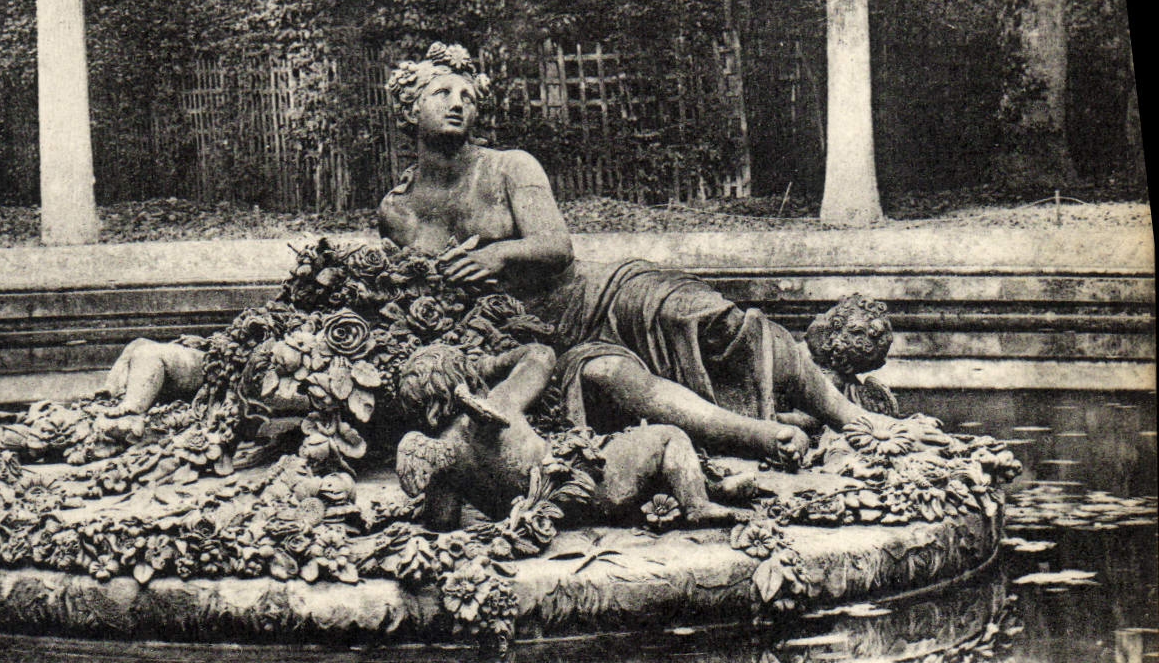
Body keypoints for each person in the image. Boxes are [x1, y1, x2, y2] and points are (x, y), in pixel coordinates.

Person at [375, 43, 886, 464]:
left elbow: (556, 246)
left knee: (708, 320)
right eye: (442, 93)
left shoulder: (510, 167)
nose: (458, 103)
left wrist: (499, 256)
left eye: (467, 95)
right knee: (618, 381)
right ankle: (766, 432)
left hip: (598, 294)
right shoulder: (397, 212)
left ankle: (854, 419)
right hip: (539, 339)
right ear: (409, 109)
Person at [394, 342, 749, 531]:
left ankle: (713, 487)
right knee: (667, 437)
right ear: (462, 376)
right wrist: (487, 364)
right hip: (592, 484)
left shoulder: (442, 455)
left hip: (542, 516)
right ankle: (697, 504)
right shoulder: (499, 401)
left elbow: (441, 521)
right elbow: (541, 354)